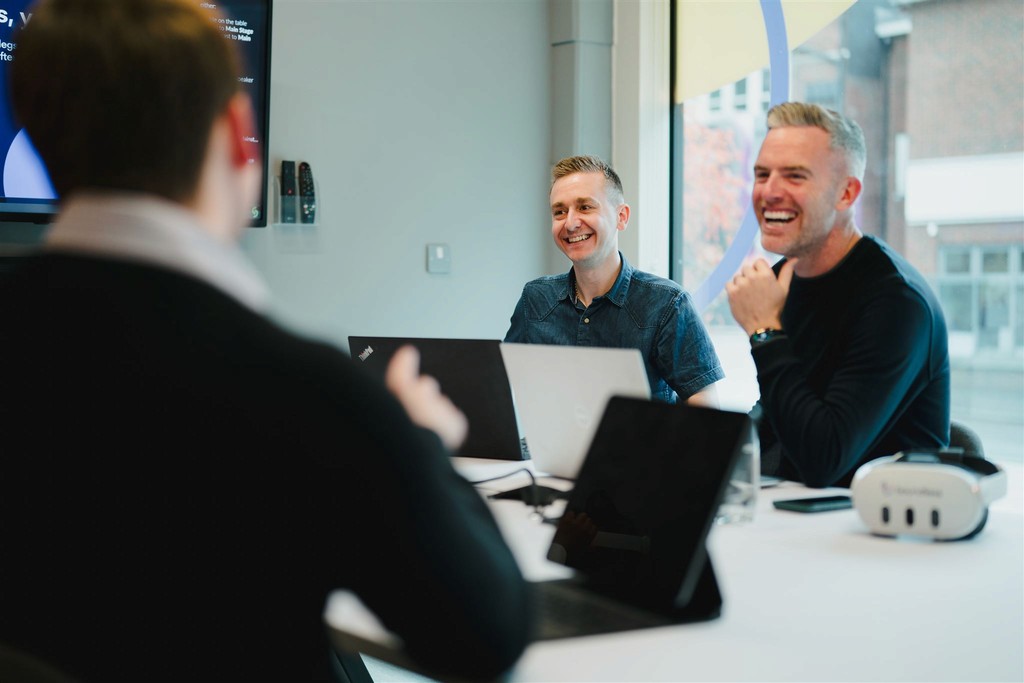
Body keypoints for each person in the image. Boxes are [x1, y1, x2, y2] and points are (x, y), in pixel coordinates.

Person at [0, 1, 529, 680]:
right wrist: (417, 440)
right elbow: (489, 634)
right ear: (237, 130)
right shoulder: (314, 397)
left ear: (37, 136)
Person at [726, 102, 950, 488]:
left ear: (846, 193)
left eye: (795, 176)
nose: (769, 192)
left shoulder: (896, 303)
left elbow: (822, 459)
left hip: (878, 529)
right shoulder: (785, 278)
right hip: (795, 515)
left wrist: (764, 331)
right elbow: (779, 417)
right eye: (762, 174)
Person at [505, 155, 723, 406]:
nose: (571, 222)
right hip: (552, 444)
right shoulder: (535, 299)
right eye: (559, 211)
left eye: (585, 207)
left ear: (622, 217)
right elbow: (504, 384)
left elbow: (704, 402)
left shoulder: (668, 304)